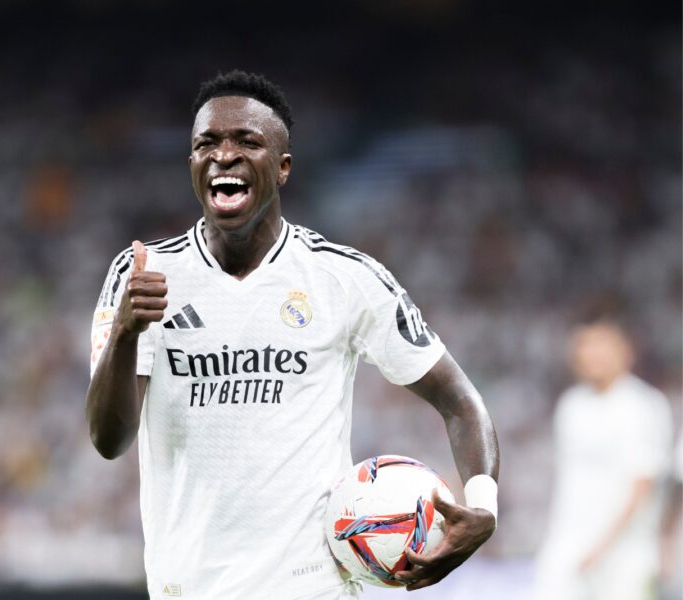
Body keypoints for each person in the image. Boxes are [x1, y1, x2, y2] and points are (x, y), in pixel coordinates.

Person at [85, 70, 499, 600]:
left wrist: (483, 504)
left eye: (247, 142)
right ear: (191, 164)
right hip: (187, 588)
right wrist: (125, 333)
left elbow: (461, 401)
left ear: (282, 168)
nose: (224, 155)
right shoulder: (142, 275)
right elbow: (108, 440)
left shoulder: (345, 278)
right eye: (205, 144)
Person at [529, 320, 673, 600]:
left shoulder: (642, 405)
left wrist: (600, 547)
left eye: (602, 345)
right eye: (585, 346)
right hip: (567, 545)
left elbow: (643, 485)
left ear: (626, 351)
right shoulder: (571, 405)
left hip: (625, 553)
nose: (593, 354)